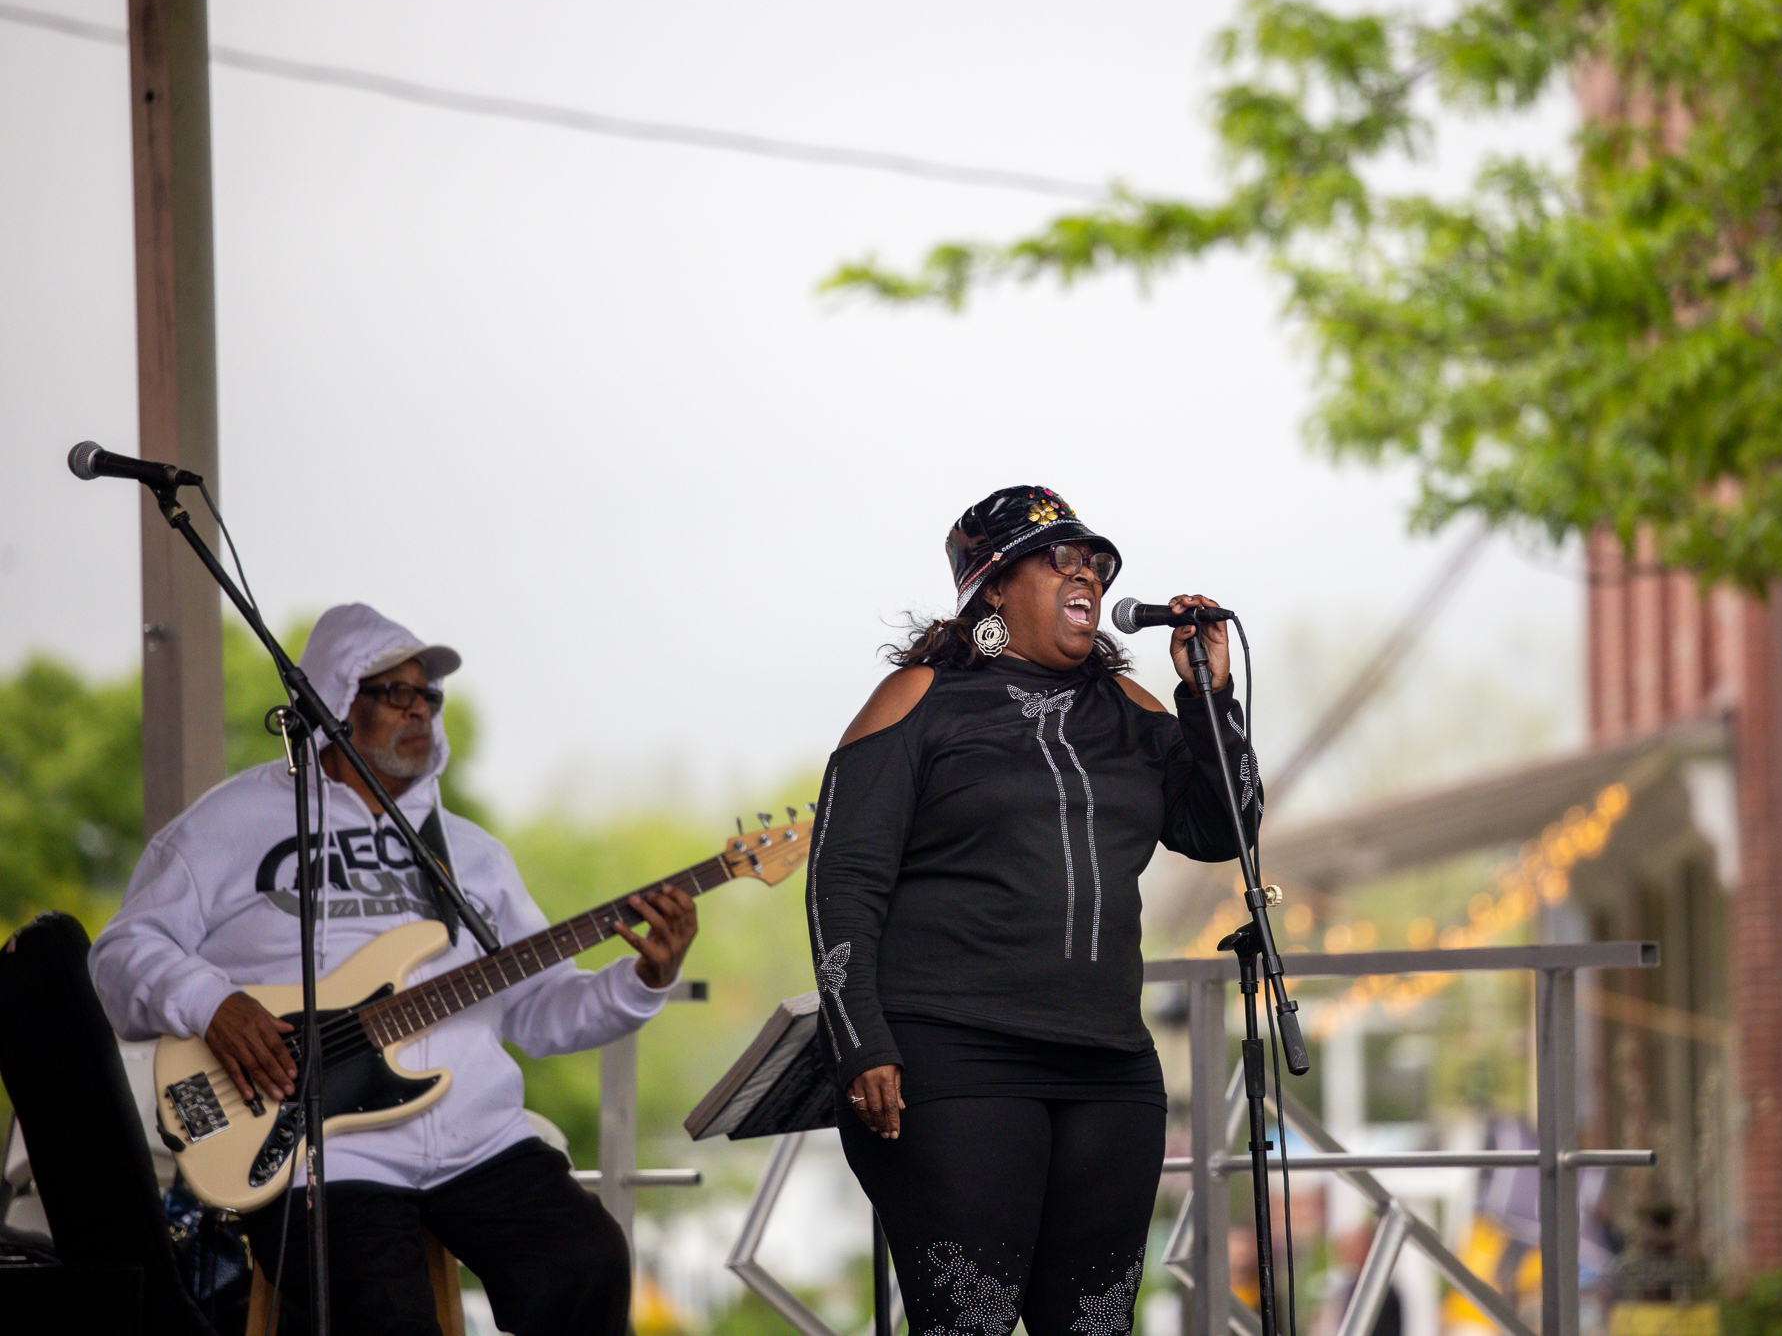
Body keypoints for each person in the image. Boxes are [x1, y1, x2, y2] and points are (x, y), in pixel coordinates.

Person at [90, 603, 698, 1336]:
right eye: (396, 693)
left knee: (588, 1261)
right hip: (319, 1151)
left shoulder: (471, 853)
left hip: (478, 1138)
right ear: (333, 701)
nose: (421, 710)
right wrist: (213, 1004)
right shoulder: (228, 825)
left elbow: (540, 1011)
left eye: (429, 696)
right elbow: (120, 955)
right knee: (382, 1311)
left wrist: (646, 979)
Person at [805, 485, 1263, 1334]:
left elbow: (1218, 827)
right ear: (993, 585)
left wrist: (1208, 695)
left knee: (1093, 1327)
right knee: (969, 1324)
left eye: (1093, 559)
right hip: (950, 1060)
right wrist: (859, 1039)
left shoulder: (1129, 710)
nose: (1084, 571)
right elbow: (844, 879)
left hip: (1109, 1067)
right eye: (1059, 557)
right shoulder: (917, 698)